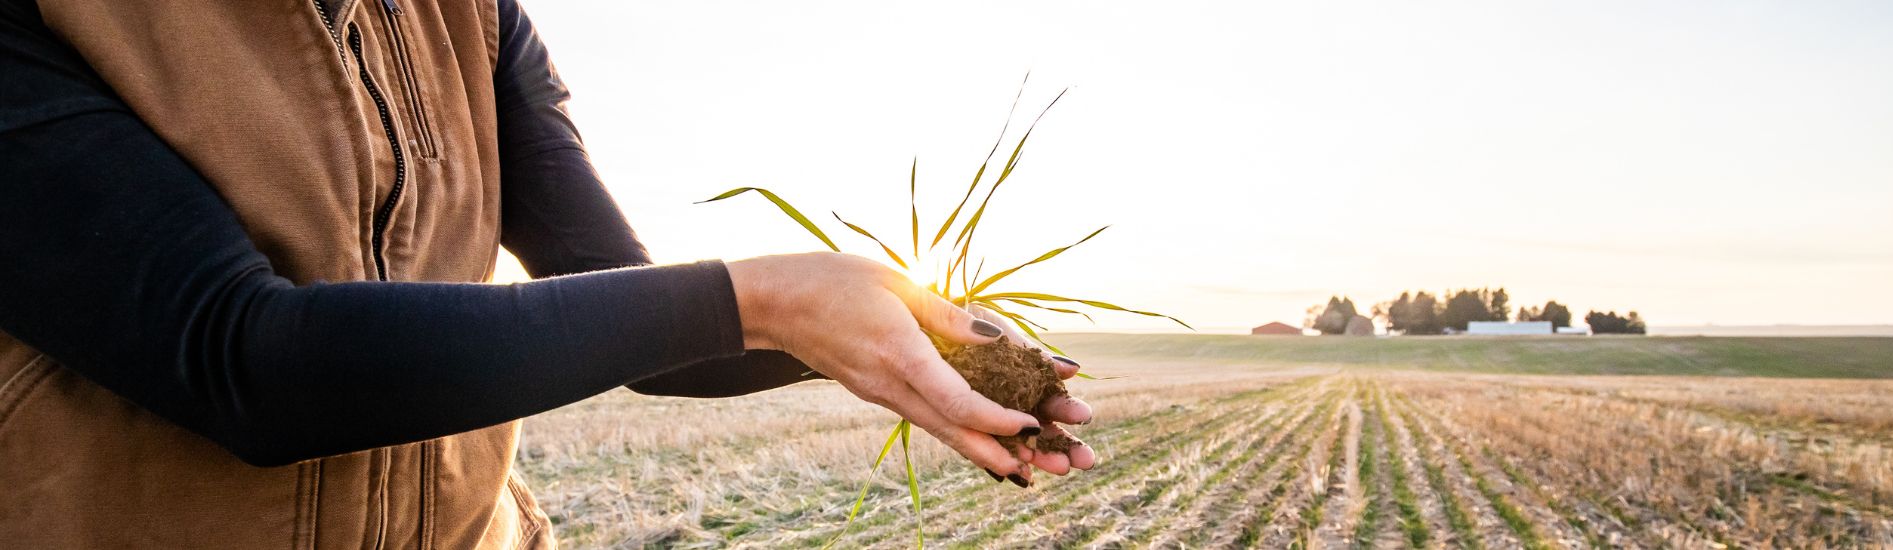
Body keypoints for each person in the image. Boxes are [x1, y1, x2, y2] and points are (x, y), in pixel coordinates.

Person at [0, 0, 1095, 547]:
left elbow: (637, 309)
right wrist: (771, 296)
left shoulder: (471, 14)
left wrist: (922, 342)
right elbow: (241, 359)